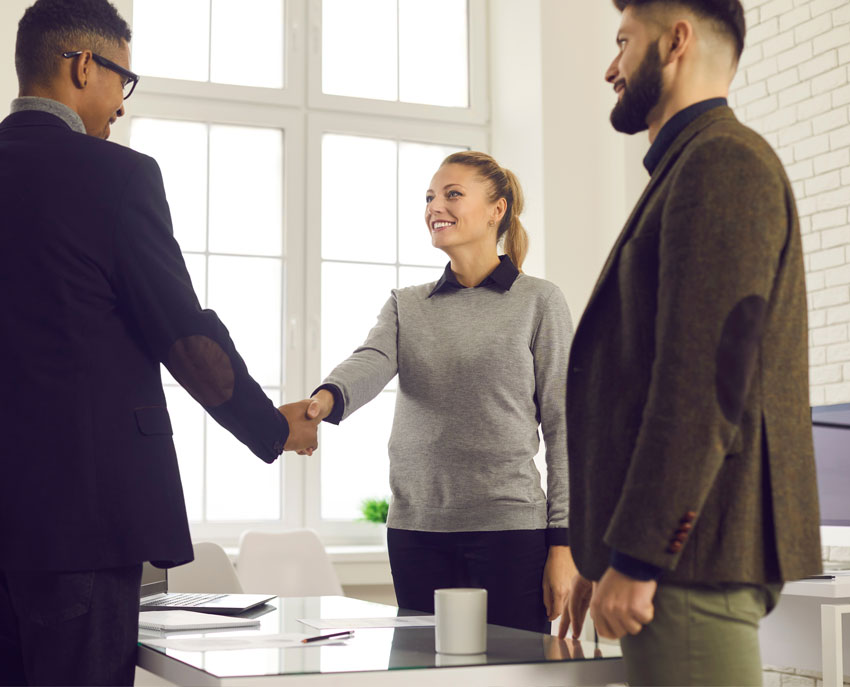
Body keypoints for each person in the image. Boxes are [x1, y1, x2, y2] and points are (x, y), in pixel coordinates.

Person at [0, 0, 319, 684]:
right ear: (84, 65)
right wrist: (272, 428)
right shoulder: (116, 178)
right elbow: (184, 336)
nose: (121, 103)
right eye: (123, 78)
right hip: (80, 535)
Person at [558, 1, 822, 684]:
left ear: (675, 41)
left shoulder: (723, 164)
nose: (610, 67)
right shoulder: (692, 166)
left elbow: (702, 382)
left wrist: (639, 556)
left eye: (624, 42)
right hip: (676, 567)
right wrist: (606, 554)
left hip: (687, 565)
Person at [300, 151, 576, 633]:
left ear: (498, 210)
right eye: (429, 197)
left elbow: (564, 425)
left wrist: (564, 544)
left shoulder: (540, 301)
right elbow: (371, 360)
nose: (435, 206)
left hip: (510, 532)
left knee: (512, 679)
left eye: (452, 194)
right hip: (416, 531)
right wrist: (321, 402)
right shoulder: (408, 304)